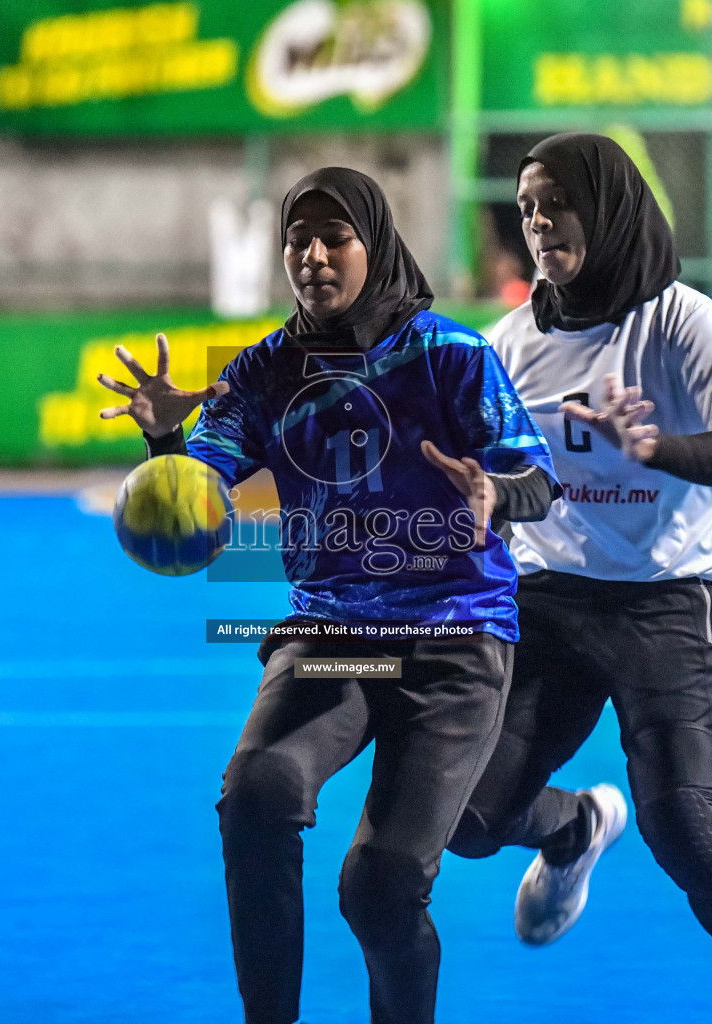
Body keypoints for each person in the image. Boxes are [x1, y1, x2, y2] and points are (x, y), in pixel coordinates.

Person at [97, 166, 557, 1024]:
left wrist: (496, 494)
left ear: (373, 244)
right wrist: (164, 440)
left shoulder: (450, 354)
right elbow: (193, 509)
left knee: (380, 889)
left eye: (333, 237)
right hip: (336, 630)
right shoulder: (264, 371)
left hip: (455, 638)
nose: (311, 255)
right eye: (296, 239)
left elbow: (537, 472)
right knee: (257, 792)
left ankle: (563, 826)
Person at [444, 133, 712, 1024]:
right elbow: (512, 478)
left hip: (666, 602)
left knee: (685, 828)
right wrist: (483, 496)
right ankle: (575, 828)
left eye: (557, 205)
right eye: (528, 209)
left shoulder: (684, 322)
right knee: (463, 814)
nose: (539, 225)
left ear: (609, 208)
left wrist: (658, 446)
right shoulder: (507, 343)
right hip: (548, 601)